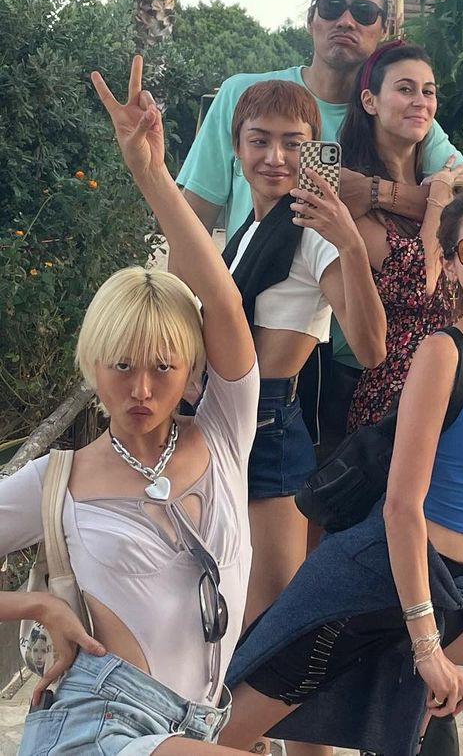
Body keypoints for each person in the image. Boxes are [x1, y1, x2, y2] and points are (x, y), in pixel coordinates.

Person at [216, 189, 463, 756]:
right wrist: (426, 646)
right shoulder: (443, 355)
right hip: (370, 584)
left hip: (454, 583)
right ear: (449, 265)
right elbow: (401, 506)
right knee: (223, 735)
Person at [5, 55, 258, 754]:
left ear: (191, 368)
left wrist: (152, 175)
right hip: (101, 722)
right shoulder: (59, 481)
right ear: (92, 364)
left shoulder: (224, 434)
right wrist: (36, 604)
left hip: (198, 722)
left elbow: (224, 302)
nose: (142, 389)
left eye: (163, 367)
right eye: (121, 366)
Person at [217, 77, 386, 637]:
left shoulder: (313, 235)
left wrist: (350, 243)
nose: (276, 157)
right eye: (259, 140)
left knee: (267, 613)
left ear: (313, 150)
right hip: (226, 418)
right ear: (237, 148)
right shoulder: (250, 231)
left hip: (266, 425)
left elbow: (371, 348)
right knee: (228, 596)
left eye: (293, 143)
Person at [178, 0, 463, 240]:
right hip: (248, 273)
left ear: (384, 28)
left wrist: (374, 191)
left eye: (364, 12)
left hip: (354, 274)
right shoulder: (243, 94)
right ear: (310, 19)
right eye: (331, 7)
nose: (346, 21)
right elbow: (193, 219)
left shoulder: (398, 114)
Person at [320, 41, 463, 451]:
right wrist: (439, 197)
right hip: (395, 393)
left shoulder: (437, 179)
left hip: (460, 380)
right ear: (370, 101)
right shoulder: (349, 192)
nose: (420, 101)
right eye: (405, 89)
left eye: (428, 91)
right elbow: (419, 280)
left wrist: (434, 190)